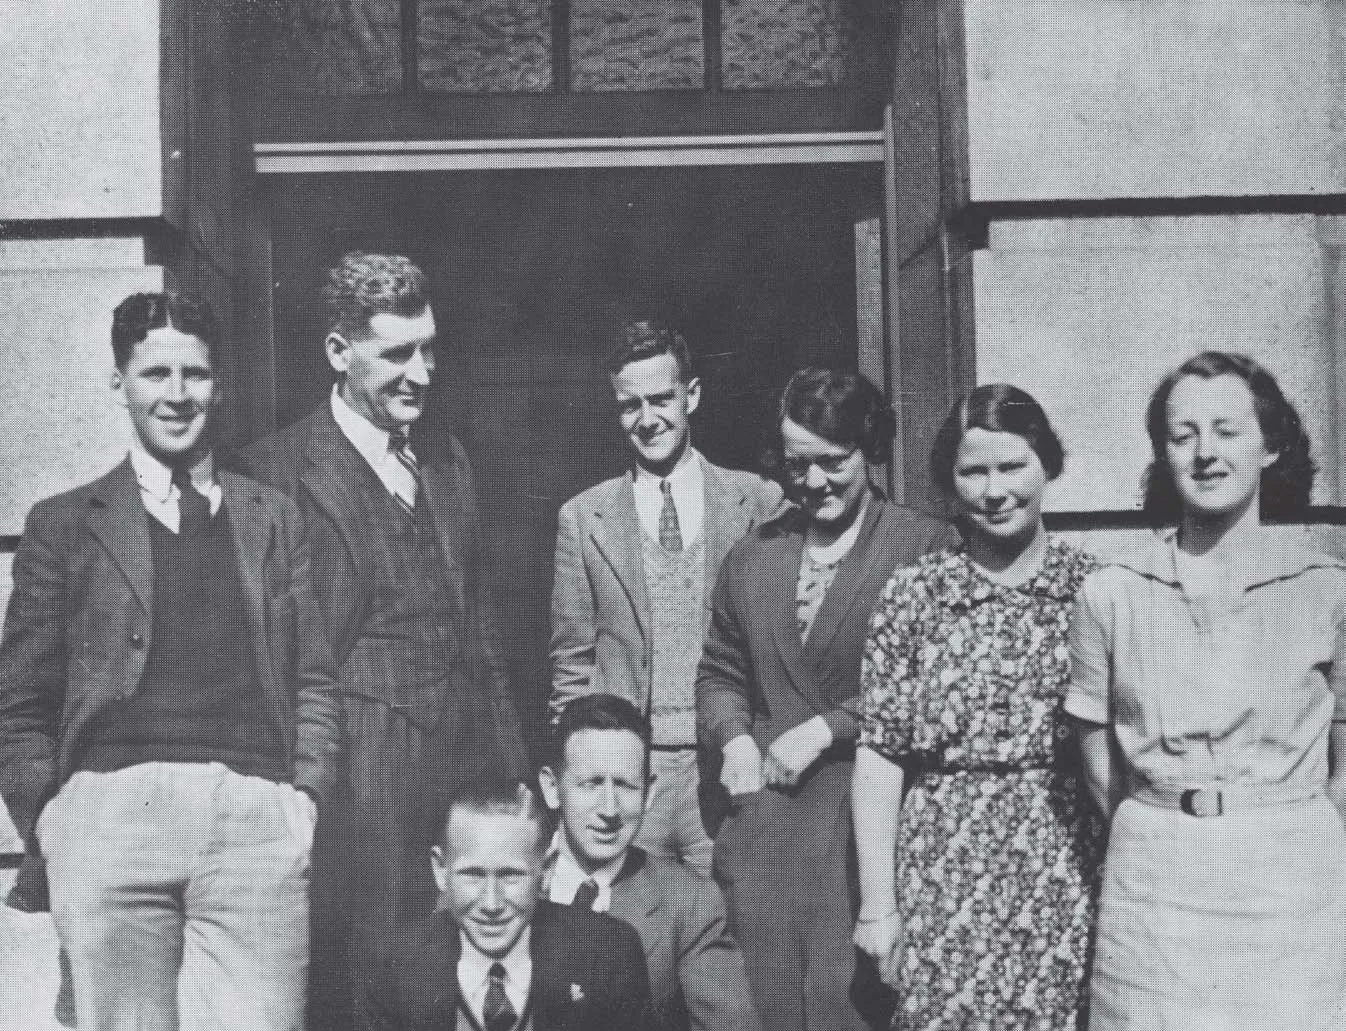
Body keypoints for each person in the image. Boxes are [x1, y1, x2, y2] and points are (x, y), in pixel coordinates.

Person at [0, 291, 341, 1030]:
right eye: (157, 373)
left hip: (252, 815)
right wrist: (53, 821)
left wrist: (304, 799)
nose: (178, 394)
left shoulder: (272, 517)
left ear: (219, 386)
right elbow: (19, 703)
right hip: (111, 814)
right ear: (118, 382)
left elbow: (315, 678)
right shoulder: (63, 524)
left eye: (196, 373)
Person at [239, 251, 528, 1031]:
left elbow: (484, 634)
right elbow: (275, 664)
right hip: (356, 793)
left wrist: (512, 771)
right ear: (339, 353)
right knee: (364, 990)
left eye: (428, 348)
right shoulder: (274, 475)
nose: (422, 372)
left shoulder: (449, 459)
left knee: (468, 986)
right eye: (398, 352)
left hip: (460, 782)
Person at [1066, 351, 1346, 1031]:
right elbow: (1097, 753)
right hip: (1155, 883)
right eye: (1182, 434)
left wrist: (1295, 830)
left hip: (1290, 879)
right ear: (1163, 452)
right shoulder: (1112, 593)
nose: (1205, 454)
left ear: (1271, 445)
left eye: (1227, 430)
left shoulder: (1326, 588)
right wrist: (1161, 820)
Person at [697, 367, 952, 1031]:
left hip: (867, 825)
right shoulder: (756, 554)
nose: (812, 482)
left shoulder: (922, 545)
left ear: (869, 450)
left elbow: (935, 678)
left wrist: (830, 726)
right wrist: (733, 737)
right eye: (796, 464)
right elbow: (719, 668)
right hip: (768, 830)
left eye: (831, 462)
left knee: (852, 1008)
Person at [852, 384, 1103, 1029]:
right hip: (941, 873)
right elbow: (879, 761)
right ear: (950, 482)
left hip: (1058, 865)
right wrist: (880, 907)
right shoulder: (912, 595)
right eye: (974, 471)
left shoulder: (1094, 593)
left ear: (1046, 464)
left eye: (1012, 465)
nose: (995, 491)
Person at [550, 319, 781, 875]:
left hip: (726, 773)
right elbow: (570, 664)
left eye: (662, 399)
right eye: (631, 405)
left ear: (692, 395)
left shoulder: (756, 501)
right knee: (632, 936)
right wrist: (586, 779)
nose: (648, 419)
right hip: (631, 781)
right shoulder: (585, 518)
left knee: (729, 935)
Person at [538, 692, 762, 1031]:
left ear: (649, 793)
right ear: (553, 788)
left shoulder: (689, 902)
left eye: (626, 786)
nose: (609, 810)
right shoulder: (494, 881)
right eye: (592, 784)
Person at [357, 777, 652, 1031]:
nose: (491, 903)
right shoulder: (393, 968)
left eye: (511, 875)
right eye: (472, 874)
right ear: (440, 870)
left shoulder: (609, 955)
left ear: (546, 870)